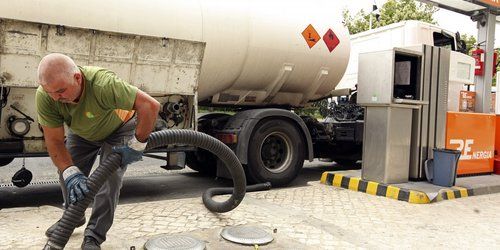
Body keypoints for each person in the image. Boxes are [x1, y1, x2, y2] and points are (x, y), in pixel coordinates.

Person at [35, 53, 160, 250]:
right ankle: (73, 216)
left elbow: (150, 105)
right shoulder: (47, 96)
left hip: (119, 128)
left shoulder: (103, 84)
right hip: (83, 131)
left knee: (109, 179)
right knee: (67, 171)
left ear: (77, 78)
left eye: (61, 91)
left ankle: (94, 235)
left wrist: (137, 145)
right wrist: (70, 172)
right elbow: (54, 141)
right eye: (50, 92)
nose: (56, 98)